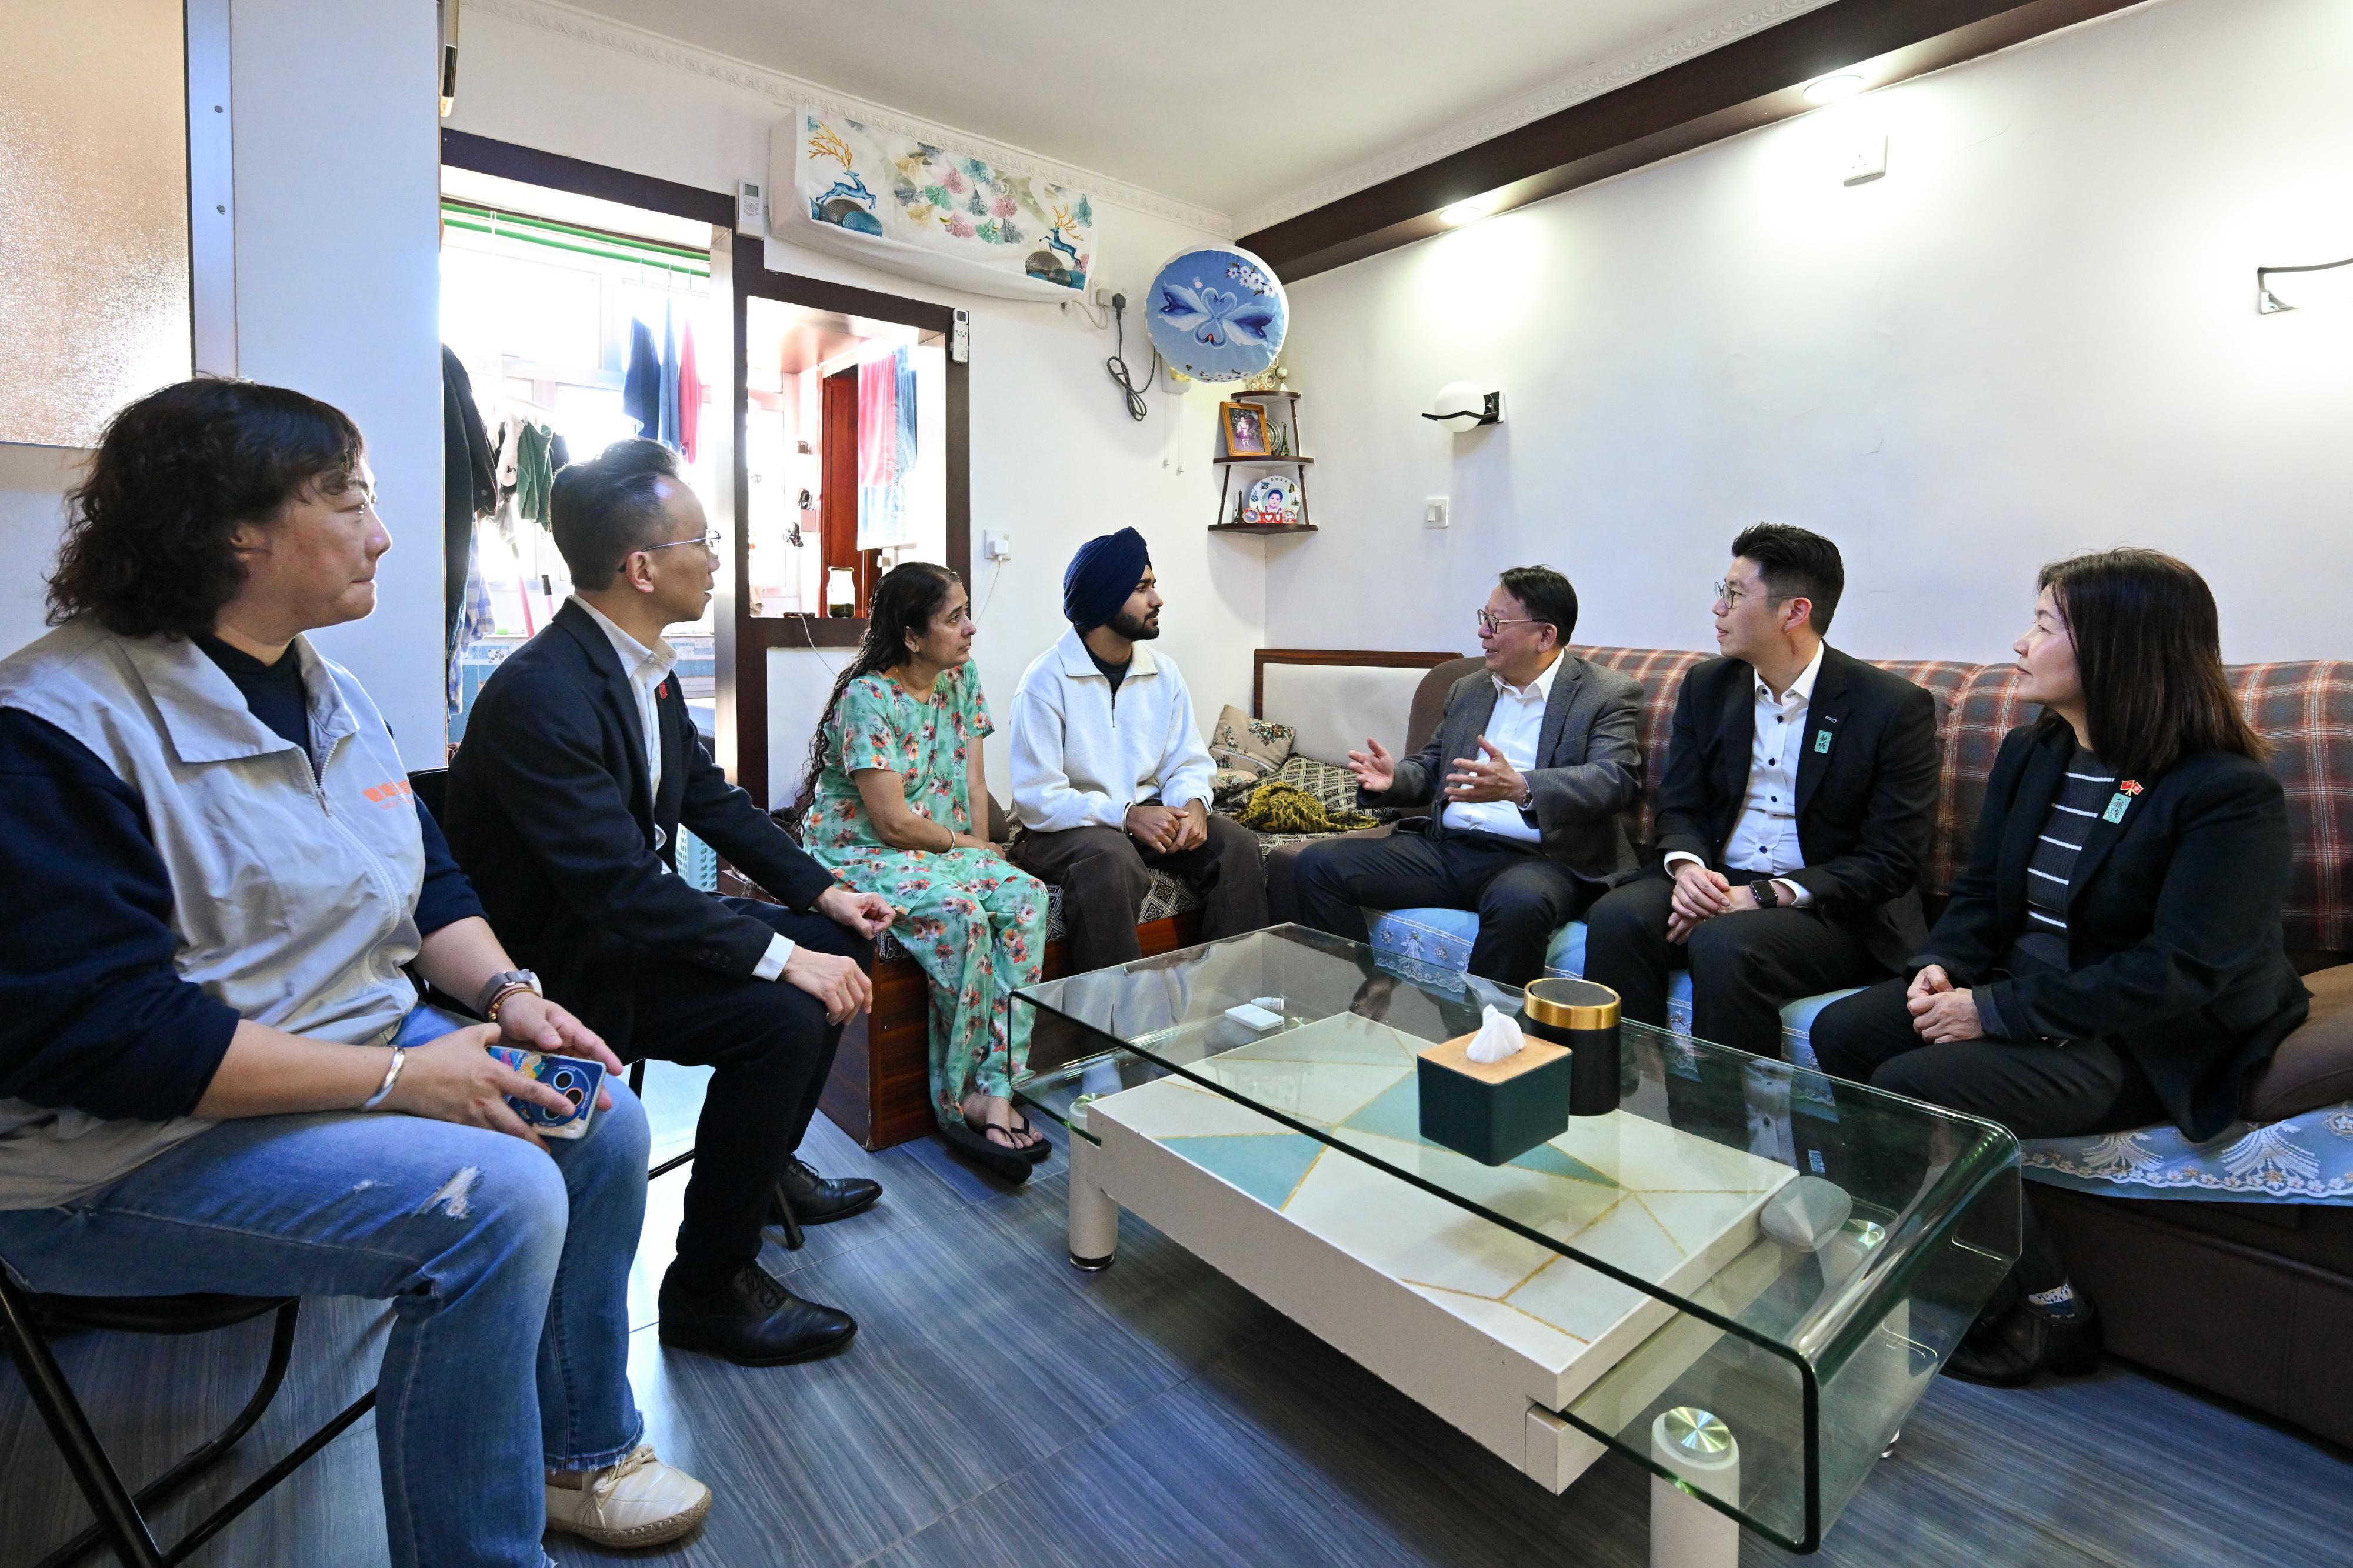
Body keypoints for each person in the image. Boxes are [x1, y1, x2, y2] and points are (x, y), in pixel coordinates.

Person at [0, 379, 708, 1564]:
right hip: (118, 1151)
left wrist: (507, 996)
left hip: (345, 1073)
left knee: (609, 1123)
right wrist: (398, 1083)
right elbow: (106, 1039)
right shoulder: (56, 725)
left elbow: (427, 885)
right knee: (496, 1202)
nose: (383, 532)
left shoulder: (335, 693)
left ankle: (582, 1456)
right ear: (234, 526)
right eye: (348, 498)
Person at [445, 438, 894, 1369]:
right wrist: (779, 959)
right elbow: (617, 888)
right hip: (565, 970)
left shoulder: (639, 666)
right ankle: (705, 1288)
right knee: (782, 1011)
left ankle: (763, 1172)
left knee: (838, 946)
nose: (718, 558)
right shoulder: (540, 694)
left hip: (629, 929)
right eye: (704, 540)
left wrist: (826, 893)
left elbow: (713, 800)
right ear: (641, 567)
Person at [1809, 549, 2308, 1385]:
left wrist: (1993, 1011)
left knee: (1913, 1081)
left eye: (2042, 626)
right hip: (2028, 988)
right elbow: (1980, 895)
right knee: (1844, 1031)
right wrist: (1940, 966)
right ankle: (1935, 1256)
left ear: (2116, 648)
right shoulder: (2036, 750)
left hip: (2144, 1033)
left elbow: (2181, 972)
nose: (2018, 643)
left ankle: (2050, 1308)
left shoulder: (2226, 793)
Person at [1581, 525, 1939, 1058]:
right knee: (1618, 916)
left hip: (1829, 906)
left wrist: (1763, 896)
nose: (1716, 608)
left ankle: (1727, 1129)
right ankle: (1619, 1097)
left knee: (1725, 942)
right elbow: (1681, 806)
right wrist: (1689, 871)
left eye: (1733, 594)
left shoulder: (1890, 707)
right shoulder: (1709, 686)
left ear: (1794, 613)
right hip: (1721, 874)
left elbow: (1892, 859)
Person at [799, 562, 1051, 1183]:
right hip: (861, 849)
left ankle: (1000, 1085)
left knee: (1025, 896)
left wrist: (987, 855)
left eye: (967, 611)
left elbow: (973, 783)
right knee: (962, 914)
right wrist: (966, 851)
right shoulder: (867, 699)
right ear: (912, 635)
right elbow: (890, 824)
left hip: (935, 847)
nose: (971, 628)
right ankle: (956, 1095)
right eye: (953, 617)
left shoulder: (960, 679)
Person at [1291, 566, 1643, 986]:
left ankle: (1486, 1039)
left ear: (1545, 636)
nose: (1482, 632)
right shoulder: (1469, 688)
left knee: (1520, 904)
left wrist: (1523, 787)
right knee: (1318, 865)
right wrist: (1394, 780)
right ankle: (1353, 997)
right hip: (1449, 851)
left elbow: (1614, 779)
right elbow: (1432, 766)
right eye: (1484, 617)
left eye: (1496, 622)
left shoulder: (1605, 694)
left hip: (1540, 860)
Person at [1006, 528, 1269, 973]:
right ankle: (1115, 1030)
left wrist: (1194, 804)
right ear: (1106, 600)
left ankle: (1236, 1003)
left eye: (1153, 585)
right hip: (1062, 829)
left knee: (1237, 846)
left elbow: (1185, 761)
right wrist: (1126, 815)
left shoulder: (1163, 674)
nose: (1158, 599)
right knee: (1111, 860)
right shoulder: (1045, 682)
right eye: (1142, 588)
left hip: (1142, 815)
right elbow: (1037, 798)